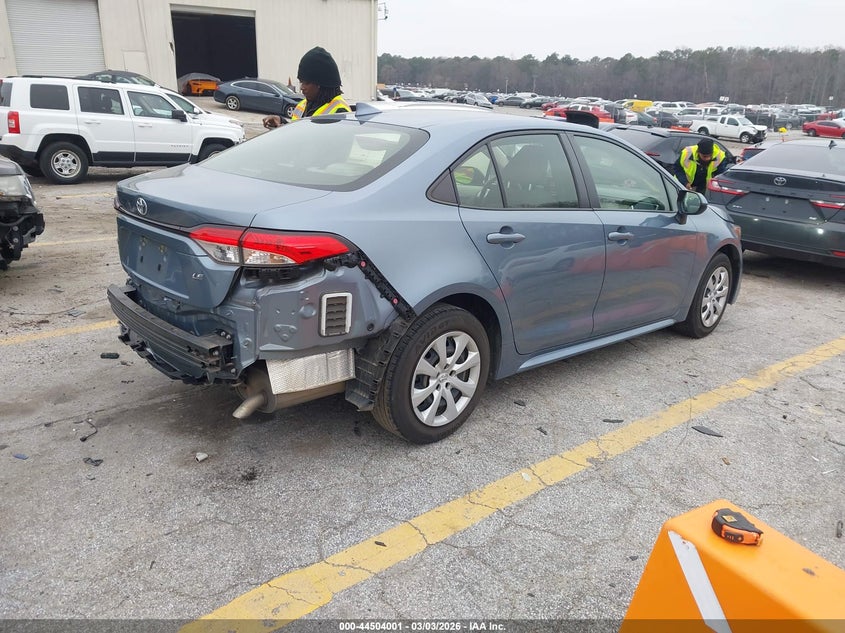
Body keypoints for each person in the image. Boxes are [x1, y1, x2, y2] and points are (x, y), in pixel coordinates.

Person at [262, 46, 350, 129]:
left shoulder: (340, 112)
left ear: (321, 84)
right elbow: (299, 131)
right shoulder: (302, 105)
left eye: (306, 83)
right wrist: (281, 122)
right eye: (301, 82)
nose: (302, 87)